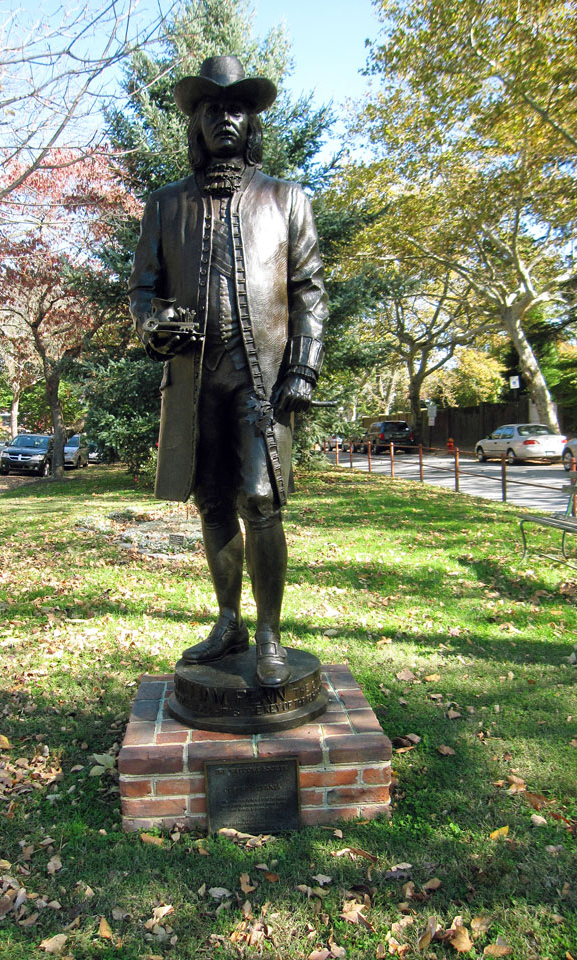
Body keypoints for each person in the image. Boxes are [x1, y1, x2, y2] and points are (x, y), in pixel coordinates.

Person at [129, 56, 327, 687]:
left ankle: (269, 632)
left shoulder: (286, 198)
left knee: (261, 500)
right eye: (211, 108)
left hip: (261, 379)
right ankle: (229, 622)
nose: (225, 118)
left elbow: (309, 293)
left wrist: (304, 366)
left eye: (236, 107)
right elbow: (141, 292)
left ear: (253, 120)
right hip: (194, 380)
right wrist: (153, 323)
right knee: (212, 500)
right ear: (196, 122)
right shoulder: (165, 205)